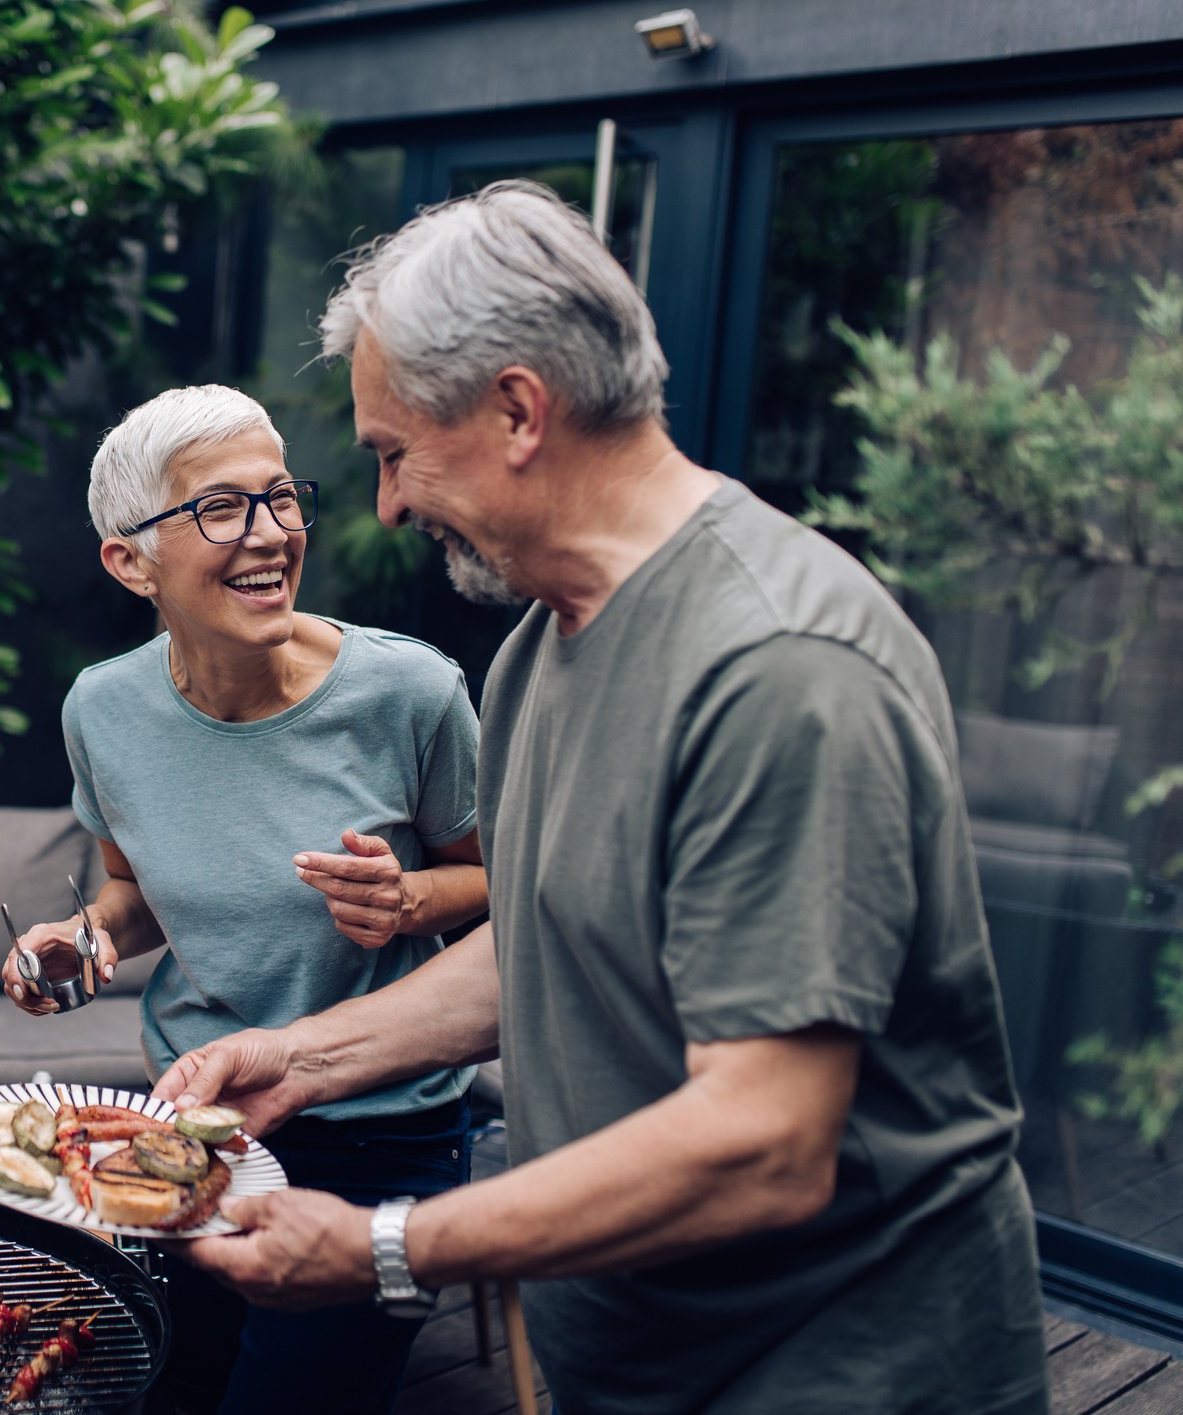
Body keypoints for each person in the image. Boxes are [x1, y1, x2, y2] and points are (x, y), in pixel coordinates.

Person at [151, 182, 1049, 1414]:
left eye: (393, 451)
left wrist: (382, 1246)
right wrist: (303, 1057)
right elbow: (545, 945)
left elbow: (766, 1141)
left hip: (838, 1369)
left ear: (518, 408)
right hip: (631, 1356)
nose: (389, 504)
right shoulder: (540, 646)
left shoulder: (779, 666)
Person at [0, 384, 490, 1414]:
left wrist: (408, 898)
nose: (269, 534)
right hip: (189, 1129)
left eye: (281, 497)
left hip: (377, 1133)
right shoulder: (104, 706)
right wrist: (78, 940)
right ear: (129, 559)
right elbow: (131, 890)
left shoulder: (413, 693)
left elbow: (505, 897)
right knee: (162, 1391)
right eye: (220, 508)